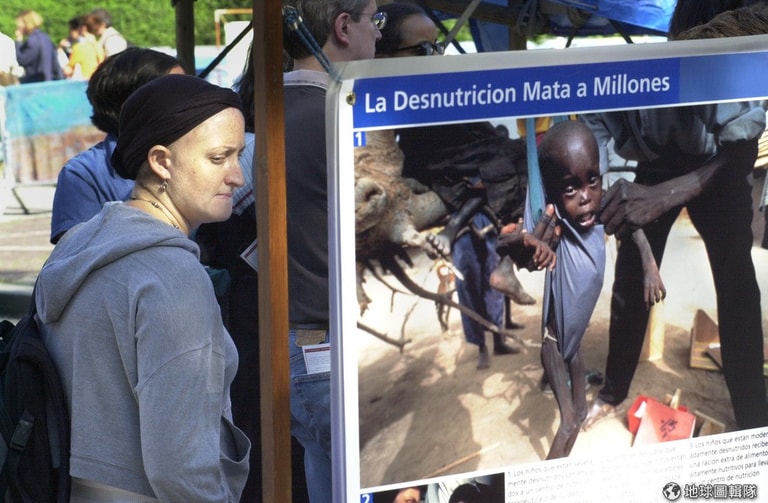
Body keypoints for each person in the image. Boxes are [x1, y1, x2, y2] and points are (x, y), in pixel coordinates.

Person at [35, 73, 250, 501]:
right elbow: (182, 466)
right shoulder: (172, 276)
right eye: (219, 158)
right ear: (161, 161)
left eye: (238, 155)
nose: (238, 177)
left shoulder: (79, 244)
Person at [581, 0, 768, 431]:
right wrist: (630, 229)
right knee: (630, 283)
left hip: (719, 165)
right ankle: (613, 391)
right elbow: (599, 163)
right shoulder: (624, 78)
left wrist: (663, 197)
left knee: (738, 285)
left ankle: (753, 418)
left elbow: (741, 150)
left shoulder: (721, 67)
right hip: (655, 164)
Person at [375, 2, 540, 370]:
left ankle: (501, 291)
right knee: (506, 165)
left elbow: (478, 132)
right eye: (423, 49)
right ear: (383, 56)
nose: (435, 55)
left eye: (437, 46)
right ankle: (483, 340)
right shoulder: (398, 98)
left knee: (514, 160)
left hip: (469, 186)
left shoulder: (441, 87)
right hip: (444, 170)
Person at [282, 1, 384, 501]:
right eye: (376, 21)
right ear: (344, 27)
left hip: (296, 337)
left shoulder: (263, 112)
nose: (379, 36)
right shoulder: (338, 117)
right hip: (321, 340)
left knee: (324, 471)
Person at [50, 48, 183, 244]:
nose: (189, 101)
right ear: (131, 104)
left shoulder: (203, 153)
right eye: (175, 93)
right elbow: (79, 255)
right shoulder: (83, 175)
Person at [14, 9, 62, 83]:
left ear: (26, 23)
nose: (18, 27)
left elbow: (22, 60)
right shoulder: (46, 38)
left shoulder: (32, 41)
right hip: (49, 80)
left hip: (37, 82)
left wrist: (18, 40)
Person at [60, 15, 105, 80]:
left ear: (83, 28)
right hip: (96, 80)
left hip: (84, 83)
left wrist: (60, 51)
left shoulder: (80, 47)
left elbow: (68, 71)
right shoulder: (98, 45)